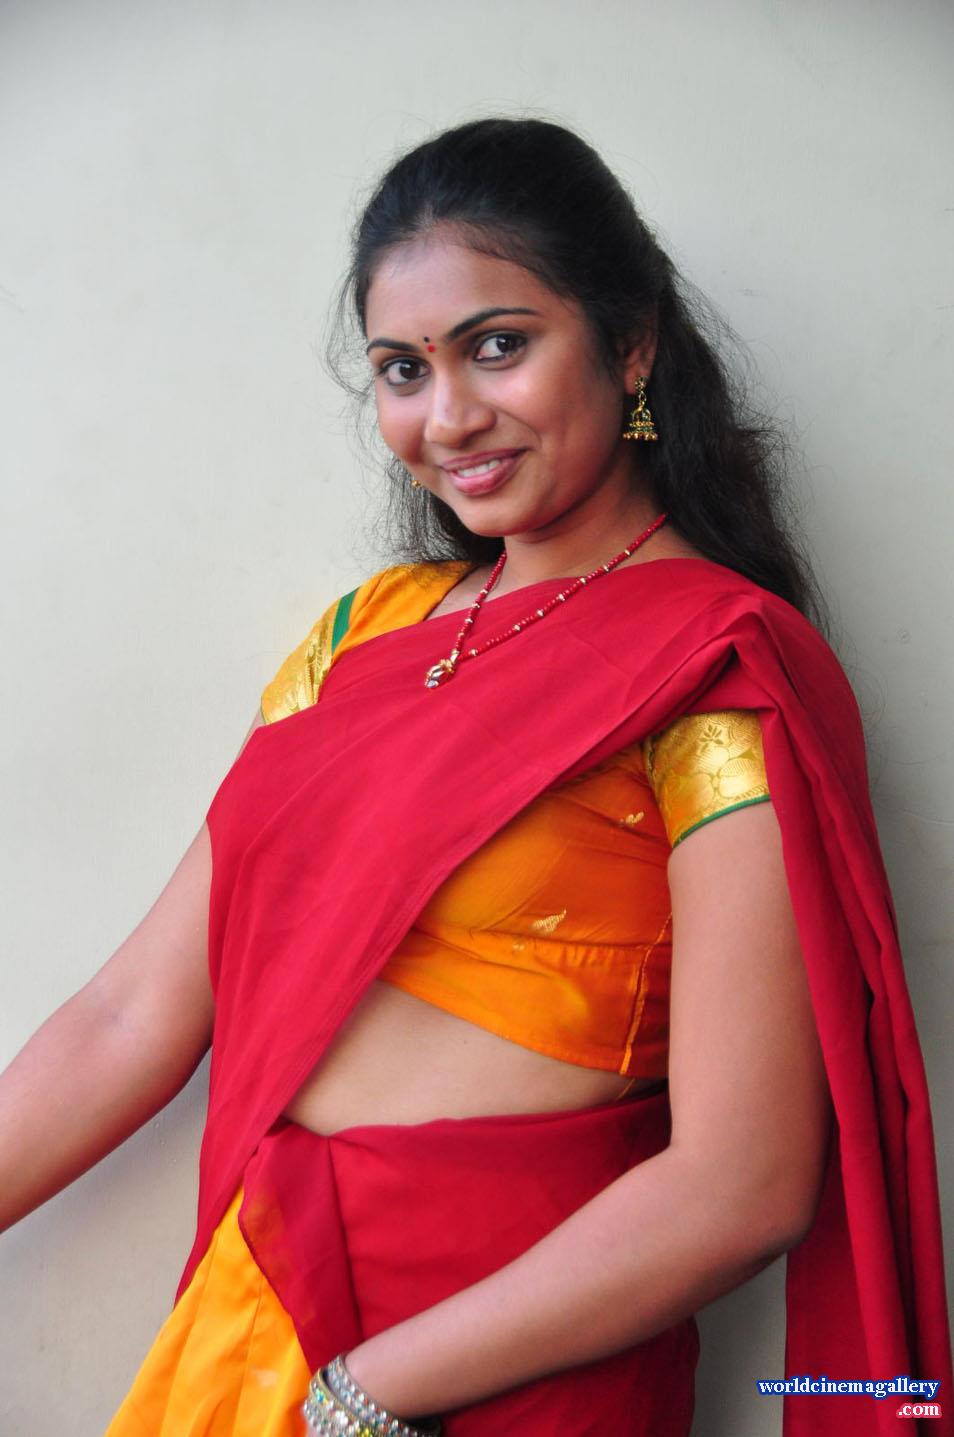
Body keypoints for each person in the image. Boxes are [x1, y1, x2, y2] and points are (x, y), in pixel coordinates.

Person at [1, 116, 950, 1437]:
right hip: (260, 1310)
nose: (447, 417)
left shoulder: (713, 668)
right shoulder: (362, 637)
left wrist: (369, 1393)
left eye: (497, 345)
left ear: (630, 344)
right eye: (403, 369)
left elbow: (744, 1182)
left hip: (504, 1370)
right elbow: (131, 1013)